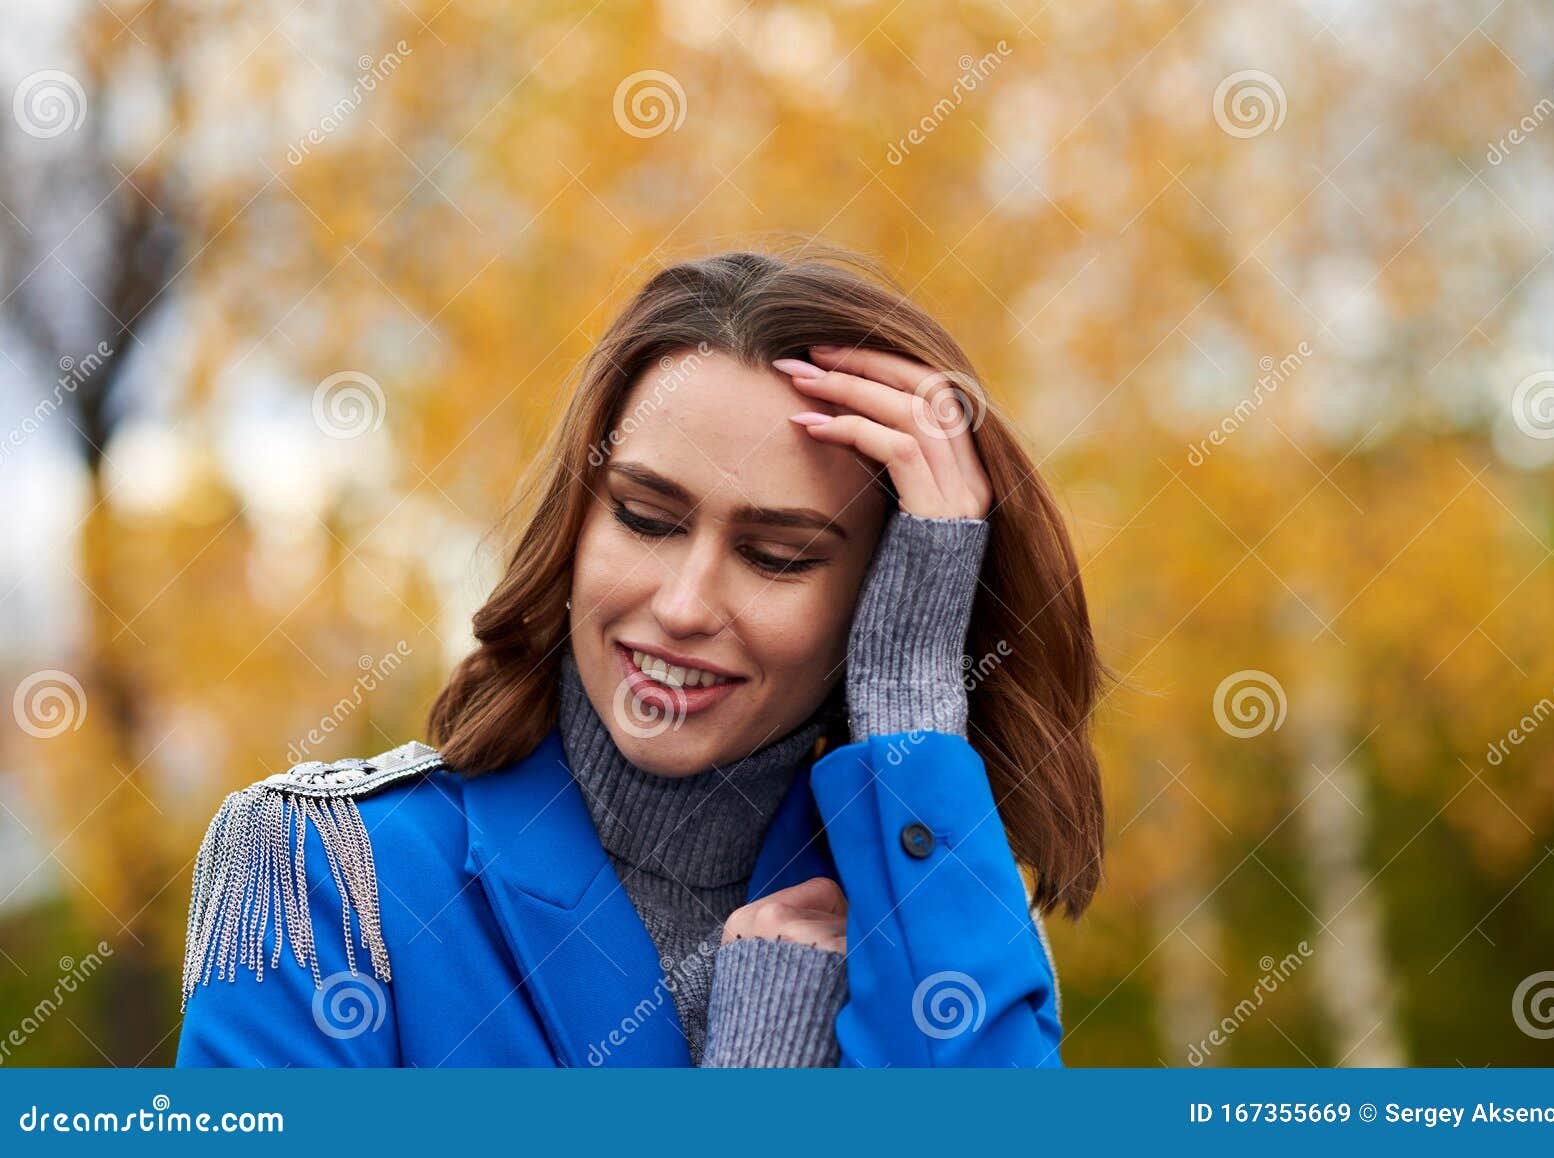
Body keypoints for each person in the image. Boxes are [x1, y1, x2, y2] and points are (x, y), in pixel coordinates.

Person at [175, 242, 1109, 1067]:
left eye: (776, 555)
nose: (684, 604)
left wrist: (909, 703)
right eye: (646, 518)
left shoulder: (937, 922)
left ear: (874, 607)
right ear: (576, 523)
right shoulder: (318, 875)